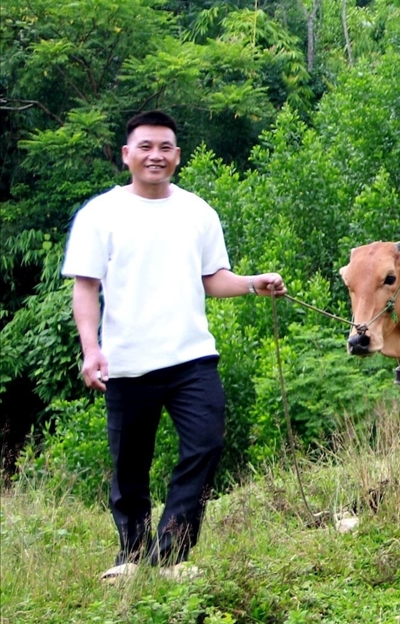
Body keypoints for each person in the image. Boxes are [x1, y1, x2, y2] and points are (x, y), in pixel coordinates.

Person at [62, 110, 286, 579]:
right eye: (145, 147)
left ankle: (170, 556)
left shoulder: (198, 212)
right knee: (130, 468)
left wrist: (252, 283)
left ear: (177, 156)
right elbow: (85, 287)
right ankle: (131, 555)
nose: (155, 156)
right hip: (126, 362)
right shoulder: (100, 214)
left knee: (206, 444)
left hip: (191, 358)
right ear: (127, 155)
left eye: (165, 147)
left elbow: (213, 279)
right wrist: (91, 348)